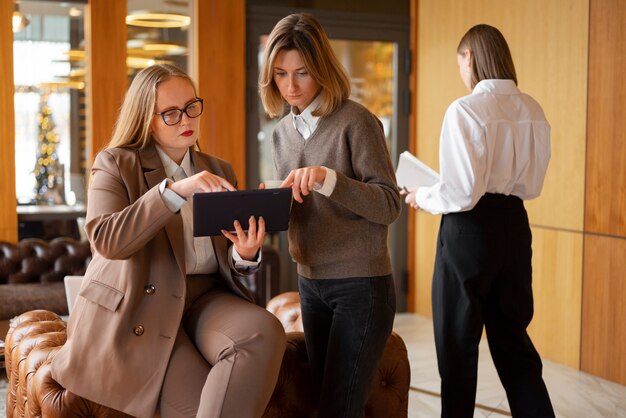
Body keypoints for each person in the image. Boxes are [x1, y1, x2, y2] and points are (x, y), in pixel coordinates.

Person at [51, 63, 286, 418]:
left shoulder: (220, 169)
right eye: (171, 114)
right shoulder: (115, 164)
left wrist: (244, 253)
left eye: (192, 107)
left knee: (264, 329)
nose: (186, 119)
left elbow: (225, 256)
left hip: (206, 297)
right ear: (147, 119)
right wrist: (173, 192)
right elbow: (107, 240)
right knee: (197, 406)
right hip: (142, 305)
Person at [402, 24, 555, 417]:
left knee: (457, 347)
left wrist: (422, 196)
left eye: (460, 64)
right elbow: (532, 184)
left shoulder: (465, 109)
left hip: (468, 231)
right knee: (514, 344)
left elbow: (461, 193)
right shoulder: (533, 109)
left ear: (468, 56)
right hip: (514, 228)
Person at [258, 12, 401, 418]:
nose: (290, 86)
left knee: (340, 407)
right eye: (281, 75)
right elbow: (300, 208)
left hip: (362, 285)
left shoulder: (357, 122)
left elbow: (388, 204)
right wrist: (265, 207)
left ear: (322, 68)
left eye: (302, 73)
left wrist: (328, 179)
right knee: (323, 402)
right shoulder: (280, 134)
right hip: (310, 282)